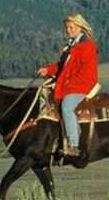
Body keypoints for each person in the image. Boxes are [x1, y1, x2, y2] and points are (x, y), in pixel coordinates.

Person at [37, 13, 99, 159]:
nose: (68, 30)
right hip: (70, 84)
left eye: (71, 27)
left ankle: (73, 144)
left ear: (80, 27)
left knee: (67, 107)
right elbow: (63, 67)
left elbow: (87, 73)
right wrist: (48, 70)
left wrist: (65, 85)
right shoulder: (71, 45)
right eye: (66, 28)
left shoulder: (87, 47)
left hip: (82, 86)